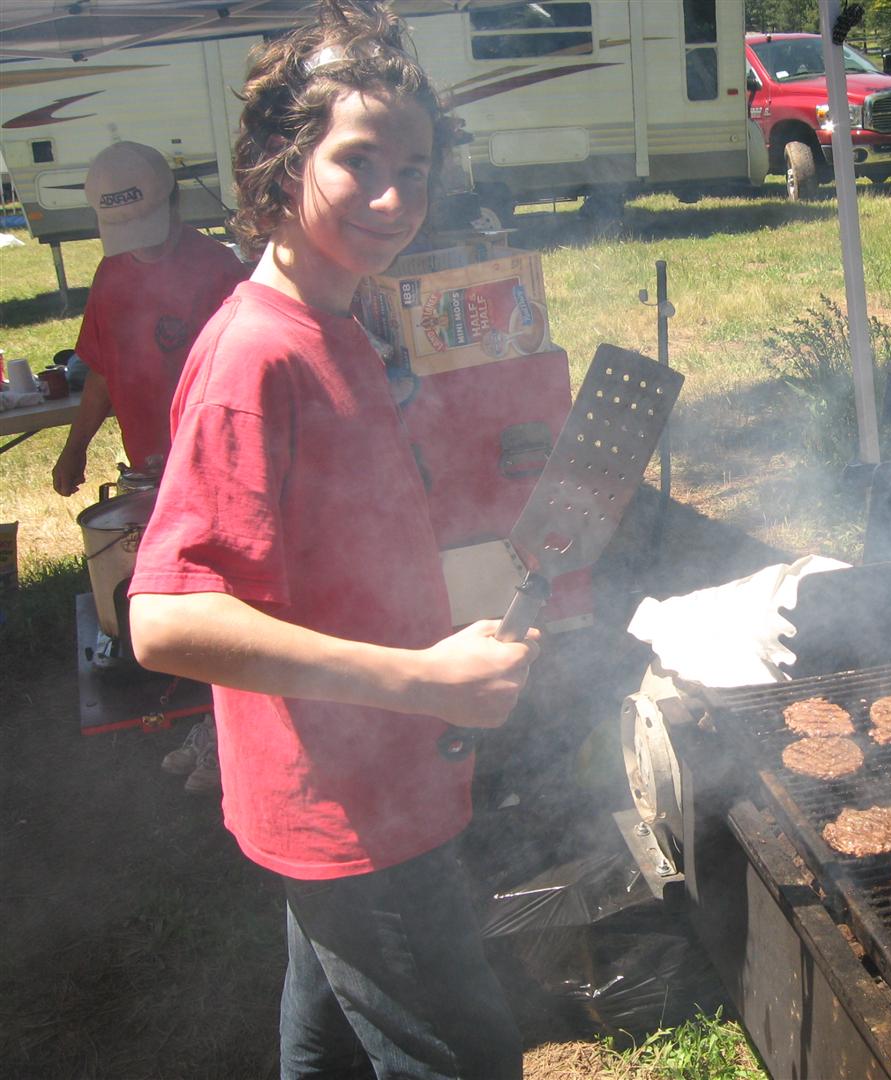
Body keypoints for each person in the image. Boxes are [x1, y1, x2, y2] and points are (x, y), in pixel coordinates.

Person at [127, 3, 538, 1076]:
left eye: (417, 167)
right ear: (283, 159)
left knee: (325, 1050)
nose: (394, 197)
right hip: (354, 813)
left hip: (364, 784)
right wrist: (426, 679)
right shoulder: (254, 354)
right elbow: (167, 620)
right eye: (358, 160)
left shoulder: (336, 317)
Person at [51, 141, 248, 495]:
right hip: (150, 470)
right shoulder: (111, 274)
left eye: (147, 225)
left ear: (174, 201)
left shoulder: (220, 271)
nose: (143, 245)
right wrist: (75, 447)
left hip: (219, 468)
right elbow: (102, 371)